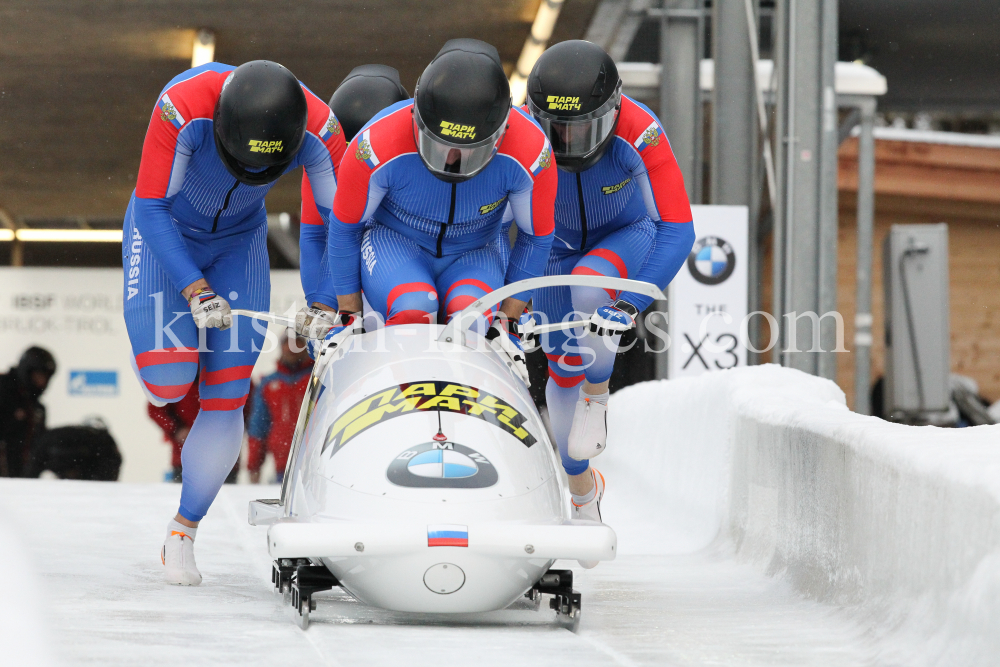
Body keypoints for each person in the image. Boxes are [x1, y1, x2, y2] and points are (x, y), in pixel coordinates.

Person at [123, 60, 346, 586]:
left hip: (241, 242)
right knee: (169, 383)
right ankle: (158, 353)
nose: (250, 175)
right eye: (240, 163)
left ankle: (183, 530)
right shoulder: (182, 107)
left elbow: (333, 223)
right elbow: (152, 207)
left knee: (226, 397)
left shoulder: (322, 129)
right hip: (165, 234)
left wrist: (325, 301)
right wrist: (194, 289)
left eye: (263, 171)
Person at [525, 41, 695, 526]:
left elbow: (678, 227)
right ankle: (582, 490)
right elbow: (498, 223)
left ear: (612, 113)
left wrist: (633, 302)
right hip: (554, 245)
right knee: (559, 374)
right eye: (555, 129)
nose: (569, 141)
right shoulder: (518, 132)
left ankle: (597, 396)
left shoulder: (640, 131)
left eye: (582, 128)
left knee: (589, 284)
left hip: (625, 234)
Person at [312, 40, 556, 376]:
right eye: (439, 144)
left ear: (501, 134)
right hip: (396, 244)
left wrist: (509, 319)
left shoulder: (532, 152)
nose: (450, 160)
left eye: (469, 150)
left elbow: (537, 237)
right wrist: (348, 314)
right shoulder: (376, 142)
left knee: (469, 317)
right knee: (414, 307)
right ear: (417, 119)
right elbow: (344, 227)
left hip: (476, 250)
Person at [297, 65, 410, 332]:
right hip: (349, 287)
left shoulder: (405, 161)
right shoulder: (321, 159)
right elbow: (314, 236)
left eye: (361, 157)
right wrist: (319, 305)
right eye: (343, 156)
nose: (352, 170)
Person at [246, 332, 313, 484]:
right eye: (287, 343)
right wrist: (254, 466)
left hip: (316, 460)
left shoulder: (319, 379)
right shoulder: (268, 384)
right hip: (283, 465)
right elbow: (258, 427)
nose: (291, 349)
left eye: (297, 343)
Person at [0, 347, 56, 477]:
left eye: (46, 377)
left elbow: (37, 448)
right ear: (27, 371)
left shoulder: (37, 409)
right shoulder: (3, 390)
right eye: (39, 375)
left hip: (21, 482)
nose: (42, 382)